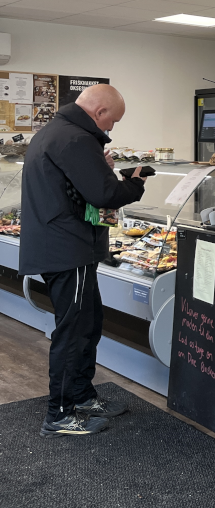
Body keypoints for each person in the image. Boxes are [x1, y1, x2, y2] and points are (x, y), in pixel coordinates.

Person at [20, 84, 147, 438]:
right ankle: (59, 413)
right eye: (113, 120)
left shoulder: (58, 131)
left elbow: (79, 187)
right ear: (100, 111)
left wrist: (102, 168)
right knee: (73, 330)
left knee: (88, 323)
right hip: (67, 249)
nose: (111, 128)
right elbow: (104, 194)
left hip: (67, 246)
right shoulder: (75, 138)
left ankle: (82, 396)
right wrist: (133, 183)